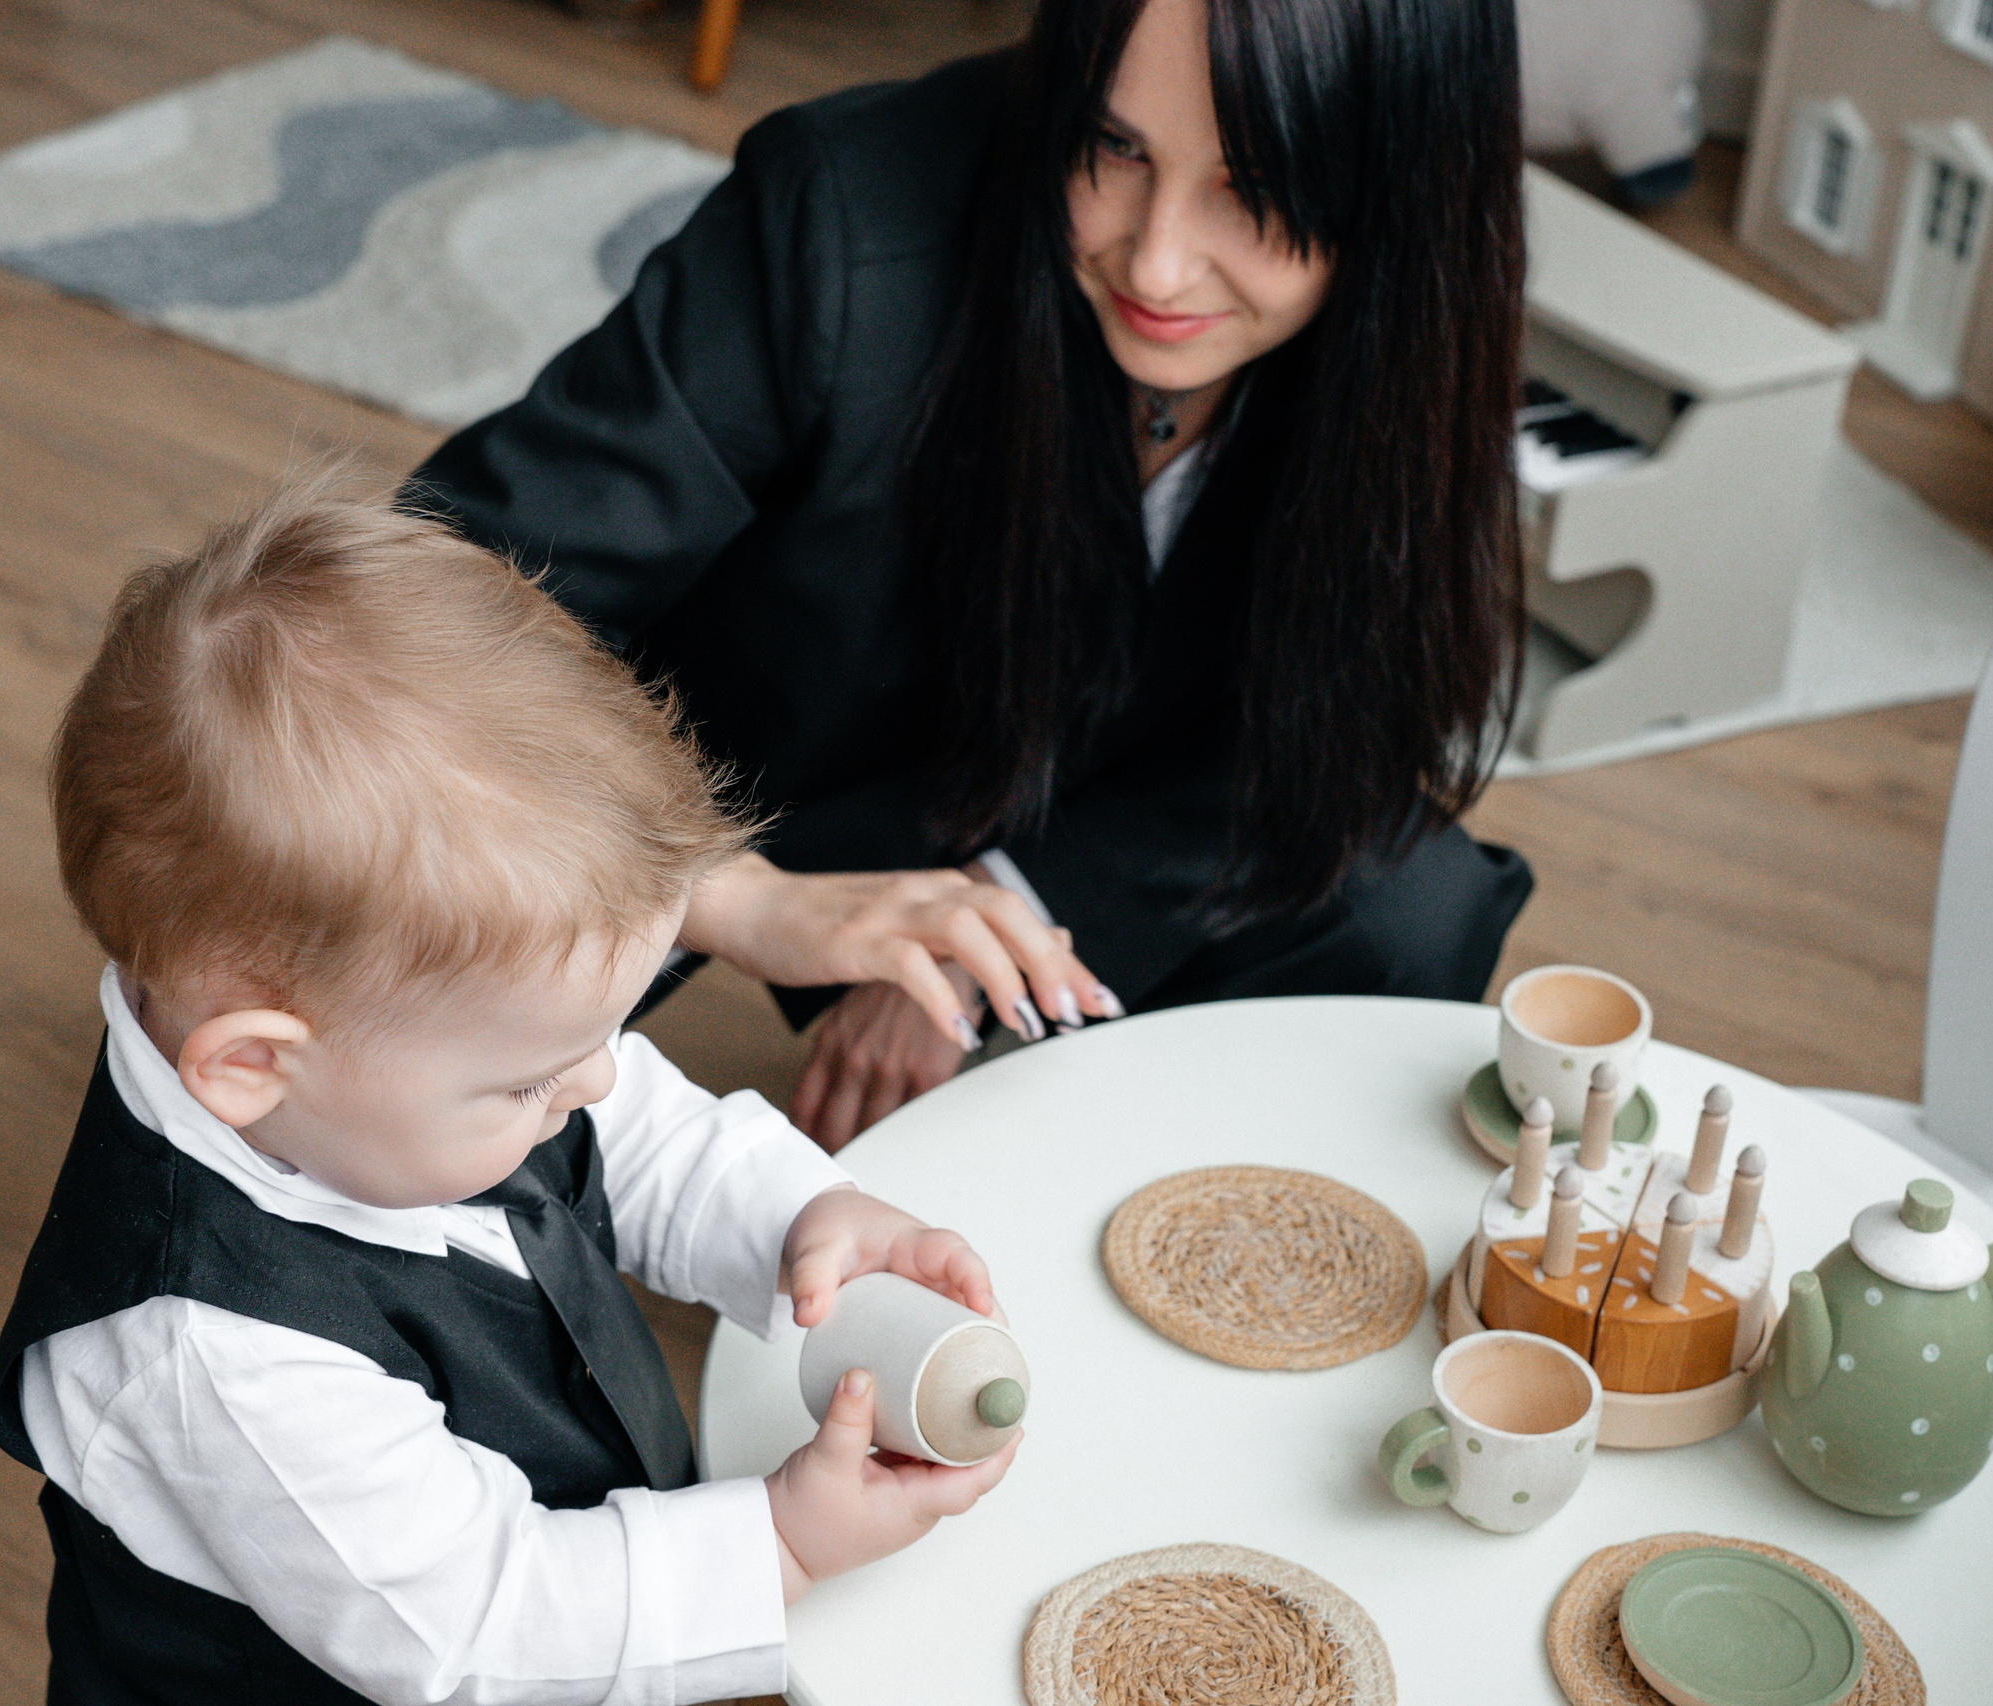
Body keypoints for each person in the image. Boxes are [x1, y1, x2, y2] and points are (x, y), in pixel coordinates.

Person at [407, 0, 1535, 1150]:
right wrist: (727, 893)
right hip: (695, 791)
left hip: (1088, 789)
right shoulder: (840, 211)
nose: (1156, 260)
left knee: (1405, 906)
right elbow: (426, 609)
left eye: (1253, 189)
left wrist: (991, 918)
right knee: (398, 1142)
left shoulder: (1420, 321)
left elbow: (1332, 713)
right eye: (1112, 146)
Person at [0, 484, 1018, 1705]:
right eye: (533, 1076)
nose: (594, 1081)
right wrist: (780, 1541)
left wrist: (806, 1223)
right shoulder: (206, 1352)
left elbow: (647, 1137)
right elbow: (490, 1624)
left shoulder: (412, 1071)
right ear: (255, 1063)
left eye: (602, 1032)